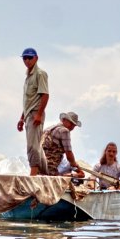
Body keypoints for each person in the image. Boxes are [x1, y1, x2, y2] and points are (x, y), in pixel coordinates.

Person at [16, 47, 49, 176]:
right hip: (28, 113)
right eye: (25, 58)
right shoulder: (28, 77)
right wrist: (21, 118)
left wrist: (39, 114)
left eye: (30, 58)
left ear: (36, 58)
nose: (27, 60)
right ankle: (45, 174)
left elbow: (45, 95)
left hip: (36, 113)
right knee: (36, 146)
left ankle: (33, 174)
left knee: (32, 146)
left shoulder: (40, 74)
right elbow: (27, 101)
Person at [42, 112, 84, 177]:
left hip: (40, 163)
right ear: (64, 120)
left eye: (74, 125)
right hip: (50, 165)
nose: (72, 127)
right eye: (71, 123)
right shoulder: (65, 131)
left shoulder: (49, 129)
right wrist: (77, 167)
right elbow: (69, 154)